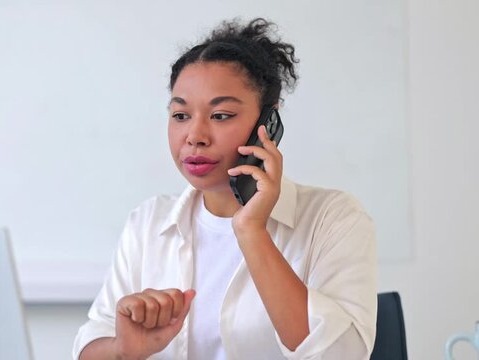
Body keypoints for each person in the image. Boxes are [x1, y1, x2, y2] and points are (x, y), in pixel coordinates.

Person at [73, 17, 377, 360]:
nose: (195, 136)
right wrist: (122, 350)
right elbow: (91, 341)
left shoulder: (332, 218)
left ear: (268, 123)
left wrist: (251, 231)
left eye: (220, 115)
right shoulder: (148, 222)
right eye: (180, 115)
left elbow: (342, 354)